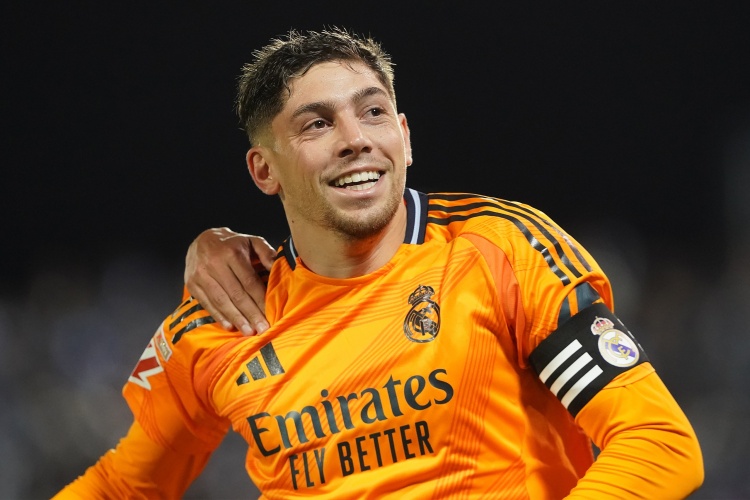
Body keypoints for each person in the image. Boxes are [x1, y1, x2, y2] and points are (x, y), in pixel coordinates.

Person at [56, 28, 703, 498]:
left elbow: (658, 440)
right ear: (264, 170)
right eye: (316, 125)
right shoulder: (222, 318)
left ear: (405, 137)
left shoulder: (498, 250)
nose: (355, 139)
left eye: (372, 112)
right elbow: (122, 487)